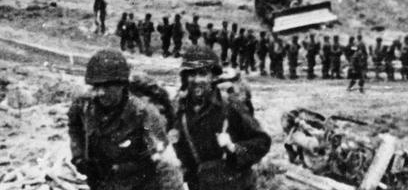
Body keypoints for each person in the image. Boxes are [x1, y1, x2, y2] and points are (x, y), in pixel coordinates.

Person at [68, 49, 183, 190]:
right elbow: (74, 127)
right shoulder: (84, 105)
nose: (101, 92)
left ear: (122, 85)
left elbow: (166, 163)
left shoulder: (145, 114)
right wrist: (79, 156)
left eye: (108, 86)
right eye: (97, 86)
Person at [171, 46, 271, 190]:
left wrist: (234, 147)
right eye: (191, 74)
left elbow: (262, 141)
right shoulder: (180, 111)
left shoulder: (230, 105)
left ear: (213, 77)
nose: (197, 80)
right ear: (185, 77)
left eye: (203, 74)